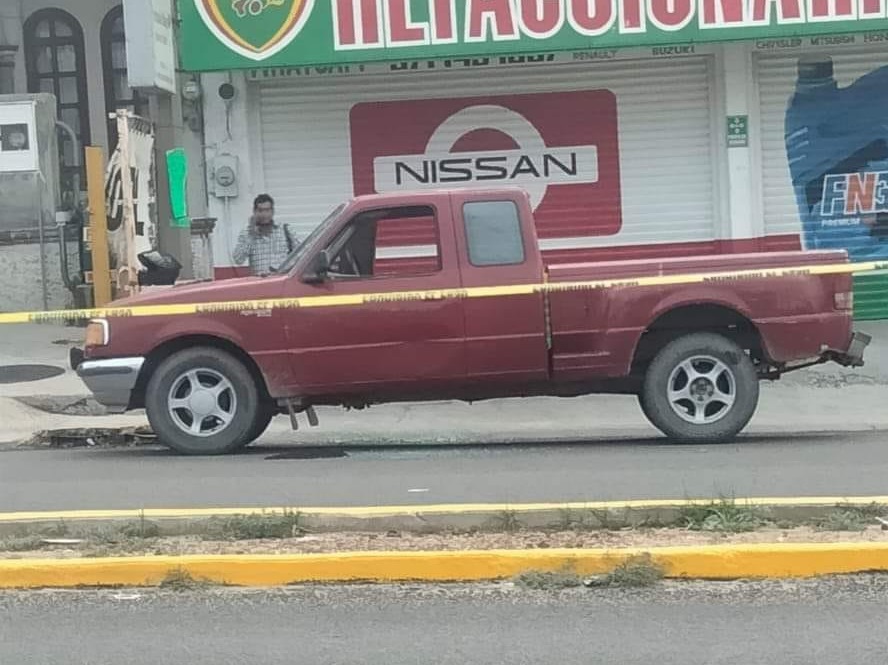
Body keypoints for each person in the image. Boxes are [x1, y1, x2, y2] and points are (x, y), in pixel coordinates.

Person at [233, 194, 298, 276]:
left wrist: (287, 268)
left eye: (267, 210)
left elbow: (302, 254)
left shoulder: (286, 230)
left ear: (272, 211)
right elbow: (238, 260)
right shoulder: (246, 233)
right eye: (260, 210)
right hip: (259, 284)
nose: (264, 214)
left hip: (282, 282)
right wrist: (251, 235)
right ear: (254, 211)